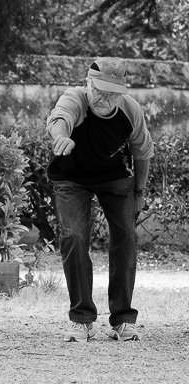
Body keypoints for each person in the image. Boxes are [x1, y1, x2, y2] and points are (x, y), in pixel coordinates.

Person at [46, 57, 154, 342]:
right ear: (87, 84)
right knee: (74, 236)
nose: (105, 98)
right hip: (71, 177)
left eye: (113, 93)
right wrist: (61, 137)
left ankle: (122, 319)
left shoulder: (131, 111)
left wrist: (140, 193)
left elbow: (142, 153)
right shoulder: (76, 99)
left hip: (114, 176)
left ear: (122, 93)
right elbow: (60, 119)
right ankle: (82, 319)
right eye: (100, 90)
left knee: (126, 237)